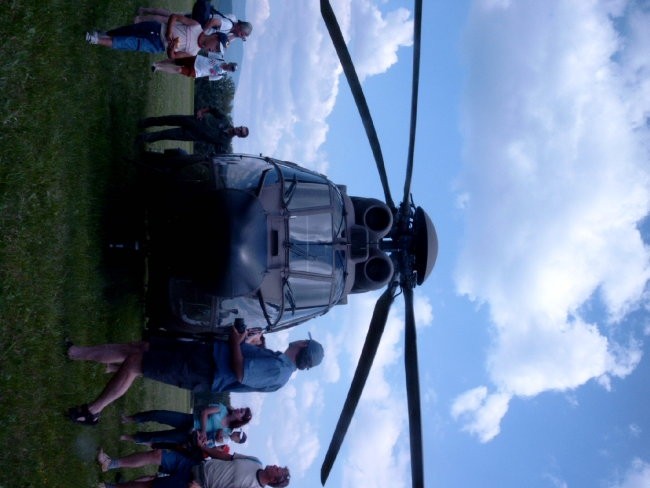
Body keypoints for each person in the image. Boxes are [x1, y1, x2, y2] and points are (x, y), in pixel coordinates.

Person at [66, 328, 324, 425]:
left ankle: (93, 411)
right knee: (140, 348)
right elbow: (246, 362)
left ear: (303, 346)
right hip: (204, 357)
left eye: (304, 340)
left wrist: (236, 342)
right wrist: (246, 341)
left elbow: (241, 371)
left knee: (135, 363)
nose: (301, 339)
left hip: (202, 369)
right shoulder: (278, 362)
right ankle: (74, 352)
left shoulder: (279, 371)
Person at [96, 446, 290, 488]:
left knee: (151, 485)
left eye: (277, 469)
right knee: (157, 455)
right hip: (196, 465)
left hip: (195, 483)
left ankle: (111, 487)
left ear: (274, 480)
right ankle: (110, 463)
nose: (274, 465)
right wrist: (203, 447)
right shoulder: (256, 461)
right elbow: (227, 457)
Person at [85, 14, 221, 58]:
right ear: (215, 37)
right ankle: (105, 34)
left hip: (157, 45)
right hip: (157, 28)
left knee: (129, 43)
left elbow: (173, 57)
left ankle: (95, 40)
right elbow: (174, 17)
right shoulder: (196, 26)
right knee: (128, 31)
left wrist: (171, 49)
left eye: (215, 51)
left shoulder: (193, 52)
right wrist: (169, 32)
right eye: (216, 47)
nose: (213, 51)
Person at [120, 404, 251, 447]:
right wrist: (204, 430)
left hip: (189, 436)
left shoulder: (228, 431)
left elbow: (211, 442)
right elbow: (205, 412)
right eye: (241, 409)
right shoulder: (222, 408)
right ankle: (130, 418)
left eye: (242, 412)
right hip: (189, 421)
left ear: (240, 419)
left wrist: (211, 439)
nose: (239, 410)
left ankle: (129, 437)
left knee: (158, 438)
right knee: (159, 414)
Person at [136, 107, 248, 152]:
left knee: (167, 134)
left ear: (239, 136)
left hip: (191, 135)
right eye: (240, 128)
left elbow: (218, 155)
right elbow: (212, 109)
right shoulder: (225, 120)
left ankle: (143, 138)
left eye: (240, 132)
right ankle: (144, 123)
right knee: (167, 119)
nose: (238, 129)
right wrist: (201, 112)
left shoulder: (225, 142)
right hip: (193, 120)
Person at [135, 5, 252, 41]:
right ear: (241, 28)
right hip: (195, 23)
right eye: (242, 34)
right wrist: (202, 33)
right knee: (168, 20)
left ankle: (144, 10)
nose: (241, 36)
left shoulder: (233, 19)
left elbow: (227, 40)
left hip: (197, 17)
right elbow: (214, 21)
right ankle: (140, 19)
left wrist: (235, 36)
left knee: (170, 15)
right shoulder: (229, 25)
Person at [152, 53, 237, 81]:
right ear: (230, 63)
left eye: (231, 70)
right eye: (231, 67)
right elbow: (207, 53)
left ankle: (158, 68)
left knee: (178, 69)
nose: (230, 69)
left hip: (196, 72)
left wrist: (199, 75)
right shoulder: (219, 57)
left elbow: (208, 78)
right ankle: (157, 63)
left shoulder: (220, 75)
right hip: (196, 59)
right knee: (174, 61)